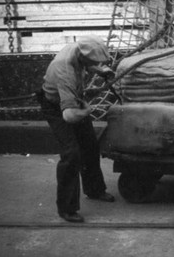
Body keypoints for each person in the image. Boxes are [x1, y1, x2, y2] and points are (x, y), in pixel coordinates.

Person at [38, 35, 116, 222]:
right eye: (94, 63)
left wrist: (101, 69)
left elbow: (88, 64)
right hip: (57, 109)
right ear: (83, 57)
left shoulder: (80, 48)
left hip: (74, 100)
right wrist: (88, 110)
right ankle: (66, 209)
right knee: (72, 154)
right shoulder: (65, 71)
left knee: (90, 145)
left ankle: (95, 190)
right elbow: (69, 116)